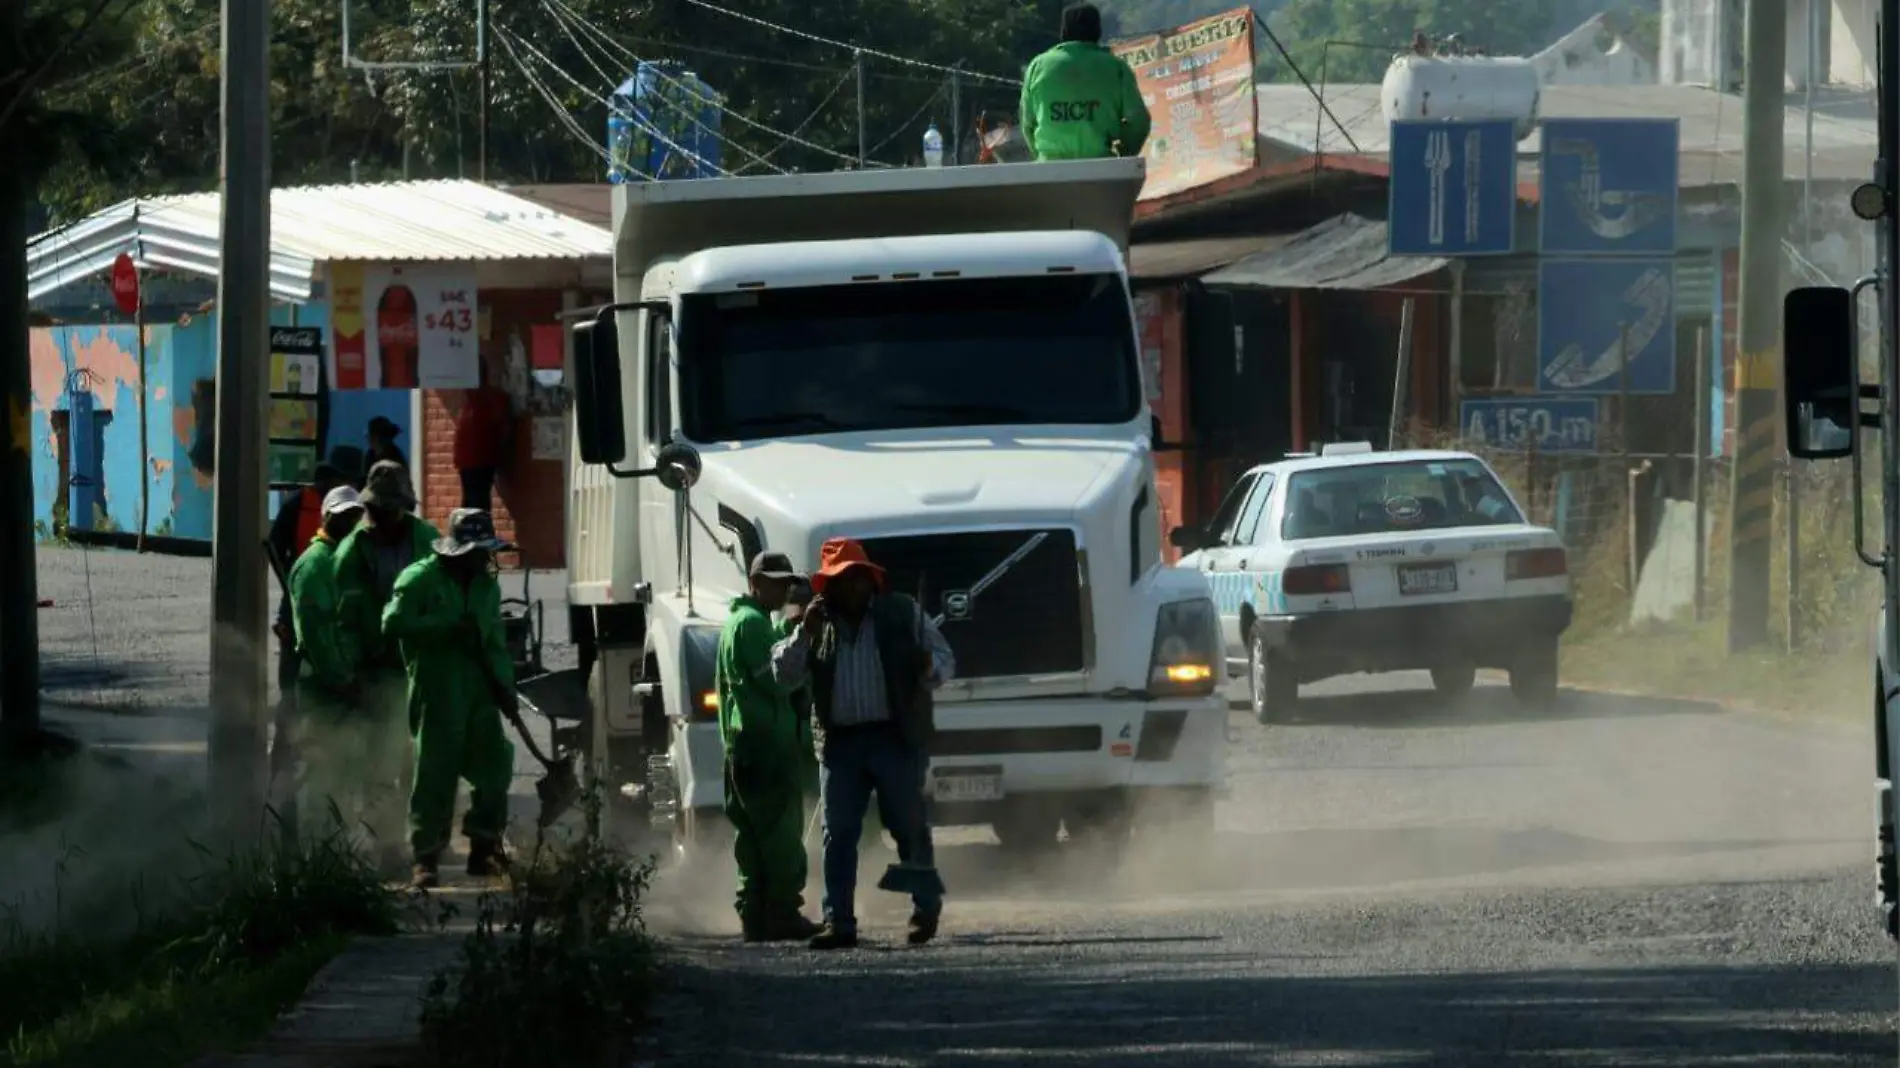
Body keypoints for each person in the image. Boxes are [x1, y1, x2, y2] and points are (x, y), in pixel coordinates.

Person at [770, 538, 955, 950]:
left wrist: (929, 668)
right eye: (842, 579)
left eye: (858, 577)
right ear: (827, 587)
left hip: (894, 736)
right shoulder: (812, 623)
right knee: (838, 834)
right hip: (840, 744)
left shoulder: (902, 612)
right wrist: (805, 633)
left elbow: (945, 660)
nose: (853, 587)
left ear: (872, 580)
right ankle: (840, 922)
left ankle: (925, 908)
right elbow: (783, 673)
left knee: (908, 827)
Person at [382, 508, 519, 888]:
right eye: (478, 552)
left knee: (494, 767)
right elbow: (392, 622)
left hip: (479, 690)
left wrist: (505, 688)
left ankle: (484, 848)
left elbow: (493, 643)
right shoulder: (419, 580)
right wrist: (444, 627)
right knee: (434, 775)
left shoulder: (485, 589)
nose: (484, 560)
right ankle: (425, 856)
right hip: (436, 690)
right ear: (458, 551)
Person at [333, 461, 440, 868]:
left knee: (422, 759)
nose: (384, 518)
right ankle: (382, 844)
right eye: (378, 511)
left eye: (392, 510)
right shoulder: (351, 554)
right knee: (379, 763)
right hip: (378, 672)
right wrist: (352, 674)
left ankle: (420, 842)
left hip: (423, 669)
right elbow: (345, 624)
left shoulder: (427, 540)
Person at [717, 552, 822, 943]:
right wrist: (802, 637)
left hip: (744, 745)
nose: (783, 590)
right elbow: (777, 680)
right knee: (779, 833)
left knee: (753, 835)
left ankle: (755, 916)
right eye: (775, 582)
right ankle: (781, 913)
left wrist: (787, 634)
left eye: (786, 583)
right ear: (755, 581)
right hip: (767, 745)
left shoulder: (742, 622)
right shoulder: (752, 625)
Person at [285, 487, 372, 839]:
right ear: (327, 517)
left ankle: (339, 848)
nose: (349, 522)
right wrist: (341, 680)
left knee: (347, 770)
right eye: (343, 516)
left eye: (354, 516)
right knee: (321, 771)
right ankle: (314, 853)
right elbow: (317, 635)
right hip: (323, 687)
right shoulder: (314, 565)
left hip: (345, 683)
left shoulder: (341, 559)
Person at [1018, 3, 1152, 162]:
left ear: (1063, 32)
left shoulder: (1037, 66)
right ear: (1098, 31)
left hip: (1050, 169)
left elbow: (1027, 124)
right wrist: (1124, 153)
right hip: (1101, 168)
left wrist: (1042, 158)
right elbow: (1139, 121)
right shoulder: (1116, 67)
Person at [455, 360, 516, 510]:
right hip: (475, 458)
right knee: (475, 499)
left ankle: (475, 528)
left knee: (475, 499)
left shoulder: (481, 398)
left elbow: (503, 424)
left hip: (478, 458)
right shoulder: (475, 397)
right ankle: (474, 527)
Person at [363, 416, 407, 481]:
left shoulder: (396, 458)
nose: (366, 437)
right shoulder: (369, 455)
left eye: (369, 434)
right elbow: (363, 481)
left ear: (376, 437)